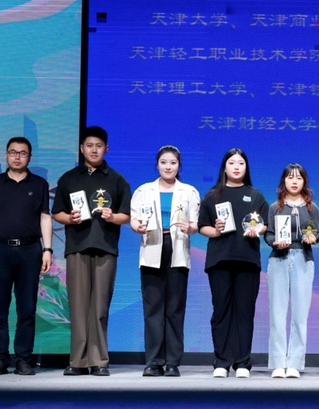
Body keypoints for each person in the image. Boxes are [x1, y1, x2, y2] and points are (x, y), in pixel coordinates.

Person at [52, 126, 131, 377]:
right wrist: (70, 218)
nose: (94, 150)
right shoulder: (69, 178)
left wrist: (113, 216)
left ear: (106, 148)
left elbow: (126, 215)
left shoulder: (117, 180)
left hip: (106, 247)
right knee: (78, 306)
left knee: (100, 307)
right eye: (89, 145)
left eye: (98, 146)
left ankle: (99, 361)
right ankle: (78, 360)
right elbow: (57, 212)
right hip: (77, 247)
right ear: (81, 148)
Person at [0, 137, 53, 376]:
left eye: (22, 153)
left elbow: (45, 217)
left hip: (30, 251)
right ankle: (0, 359)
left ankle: (23, 359)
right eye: (13, 152)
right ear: (7, 155)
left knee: (27, 308)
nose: (17, 157)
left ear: (29, 157)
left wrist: (47, 249)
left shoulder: (39, 184)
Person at [130, 145, 200, 378]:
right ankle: (153, 362)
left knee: (175, 307)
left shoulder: (189, 191)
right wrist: (137, 227)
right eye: (163, 162)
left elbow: (196, 224)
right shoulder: (143, 191)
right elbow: (134, 219)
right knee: (153, 307)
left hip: (177, 246)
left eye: (173, 163)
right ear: (157, 165)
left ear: (179, 166)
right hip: (152, 246)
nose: (168, 167)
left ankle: (172, 362)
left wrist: (191, 228)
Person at [198, 148, 269, 379]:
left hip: (248, 261)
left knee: (245, 313)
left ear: (246, 168)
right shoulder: (212, 195)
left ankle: (242, 363)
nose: (236, 167)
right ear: (224, 167)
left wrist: (259, 229)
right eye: (232, 163)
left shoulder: (255, 196)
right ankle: (221, 362)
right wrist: (216, 230)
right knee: (221, 312)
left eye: (240, 163)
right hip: (219, 261)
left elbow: (266, 224)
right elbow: (202, 226)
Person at [264, 163, 319, 379]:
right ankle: (279, 362)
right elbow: (269, 234)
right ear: (283, 182)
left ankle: (295, 362)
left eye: (298, 178)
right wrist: (275, 242)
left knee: (300, 314)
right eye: (290, 177)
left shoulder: (312, 208)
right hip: (279, 259)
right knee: (277, 313)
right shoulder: (274, 207)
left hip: (303, 259)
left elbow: (317, 232)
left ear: (304, 181)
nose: (294, 181)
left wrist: (312, 237)